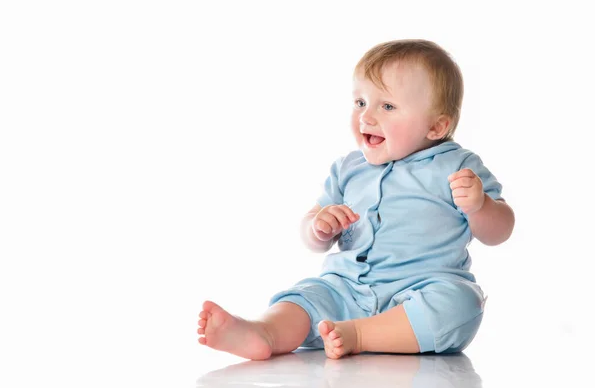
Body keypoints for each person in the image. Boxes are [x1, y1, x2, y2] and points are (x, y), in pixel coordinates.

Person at [197, 39, 515, 360]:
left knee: (460, 304)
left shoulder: (457, 166)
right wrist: (318, 228)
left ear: (437, 125)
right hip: (345, 289)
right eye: (360, 102)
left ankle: (359, 334)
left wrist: (480, 206)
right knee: (307, 296)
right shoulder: (349, 168)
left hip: (421, 291)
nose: (366, 117)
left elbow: (499, 231)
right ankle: (263, 332)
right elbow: (312, 231)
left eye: (387, 106)